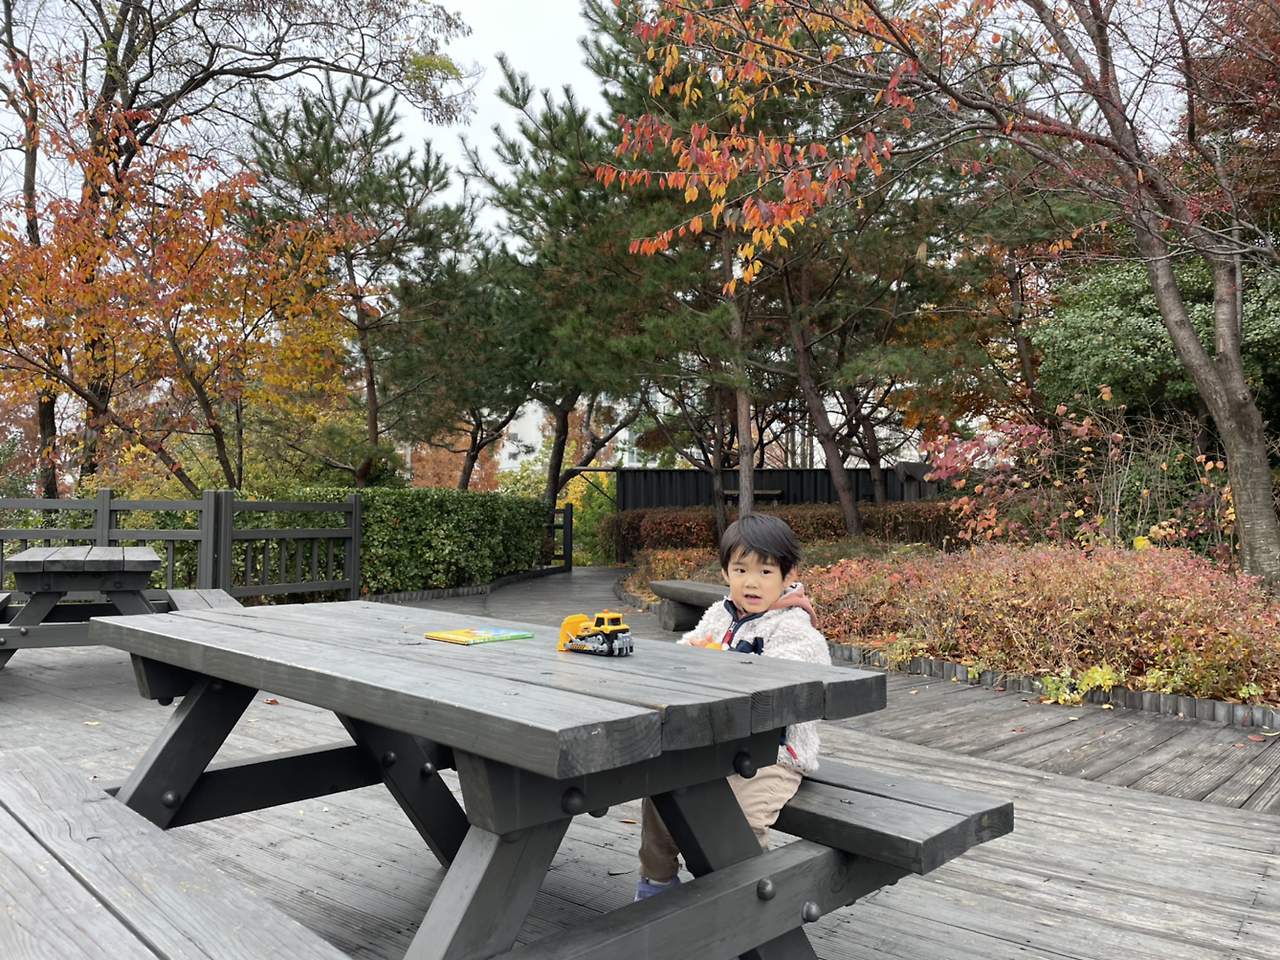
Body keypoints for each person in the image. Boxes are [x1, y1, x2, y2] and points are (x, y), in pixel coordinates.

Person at [636, 512, 832, 900]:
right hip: (714, 746)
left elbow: (797, 681)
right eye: (741, 570)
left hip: (774, 755)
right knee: (658, 794)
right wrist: (691, 655)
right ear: (726, 572)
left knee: (741, 819)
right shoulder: (719, 614)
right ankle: (655, 884)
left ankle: (745, 904)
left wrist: (723, 663)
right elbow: (684, 655)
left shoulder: (793, 627)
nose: (751, 582)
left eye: (765, 571)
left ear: (788, 575)